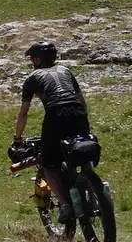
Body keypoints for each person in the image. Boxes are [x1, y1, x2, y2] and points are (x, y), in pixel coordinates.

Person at [12, 40, 90, 221]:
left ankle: (65, 204)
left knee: (48, 165)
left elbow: (23, 114)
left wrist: (17, 138)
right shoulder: (66, 71)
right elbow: (82, 102)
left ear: (37, 60)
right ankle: (91, 188)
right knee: (83, 154)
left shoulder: (33, 77)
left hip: (56, 115)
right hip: (78, 113)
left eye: (32, 59)